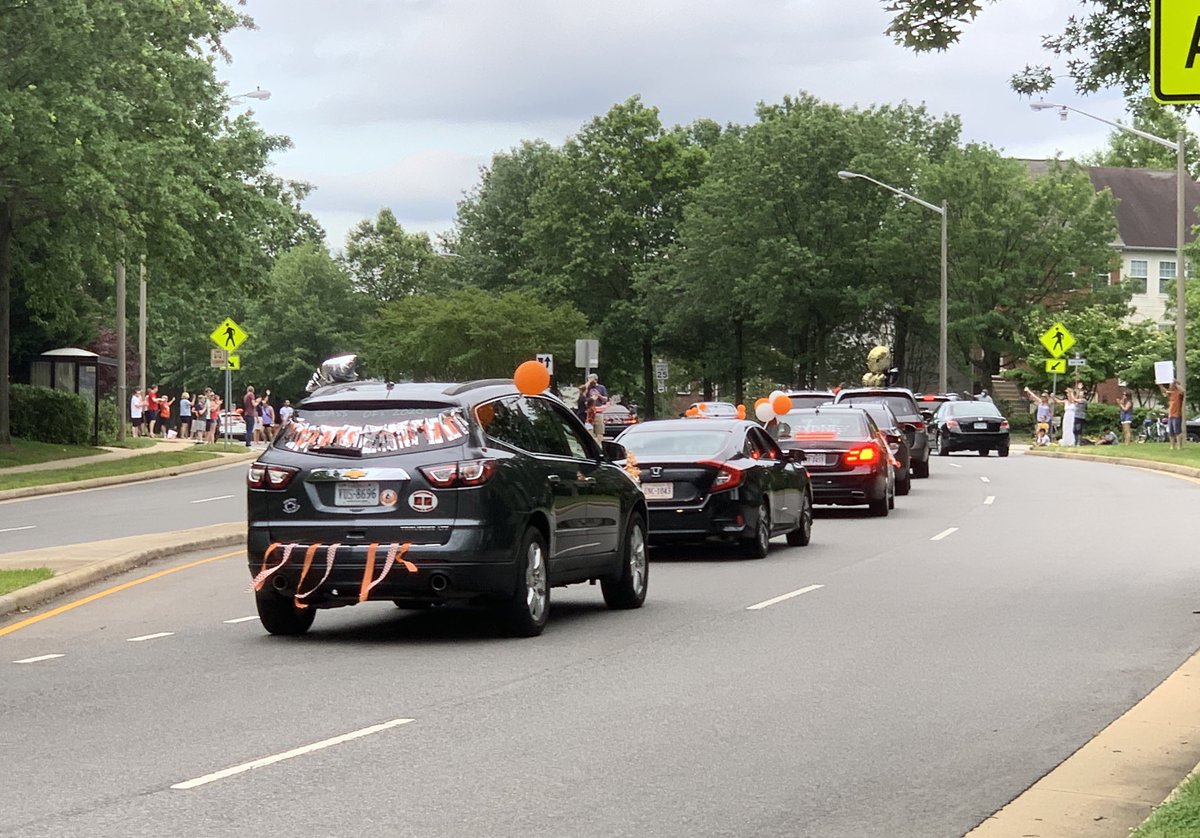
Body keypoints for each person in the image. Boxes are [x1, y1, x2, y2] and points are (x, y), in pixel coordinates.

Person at [1159, 379, 1185, 450]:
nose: (1170, 386)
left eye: (1171, 384)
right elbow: (1164, 391)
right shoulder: (1171, 393)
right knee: (1171, 432)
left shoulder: (1178, 393)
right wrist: (1159, 385)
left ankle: (1179, 446)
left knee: (1177, 431)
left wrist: (1176, 383)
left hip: (1177, 414)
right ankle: (1172, 446)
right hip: (1170, 415)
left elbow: (1183, 391)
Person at [584, 374, 609, 442]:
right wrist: (588, 383)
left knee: (599, 431)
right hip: (589, 412)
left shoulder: (601, 387)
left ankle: (600, 444)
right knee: (589, 431)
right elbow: (583, 392)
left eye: (592, 380)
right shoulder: (587, 388)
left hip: (598, 411)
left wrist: (599, 395)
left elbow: (605, 399)